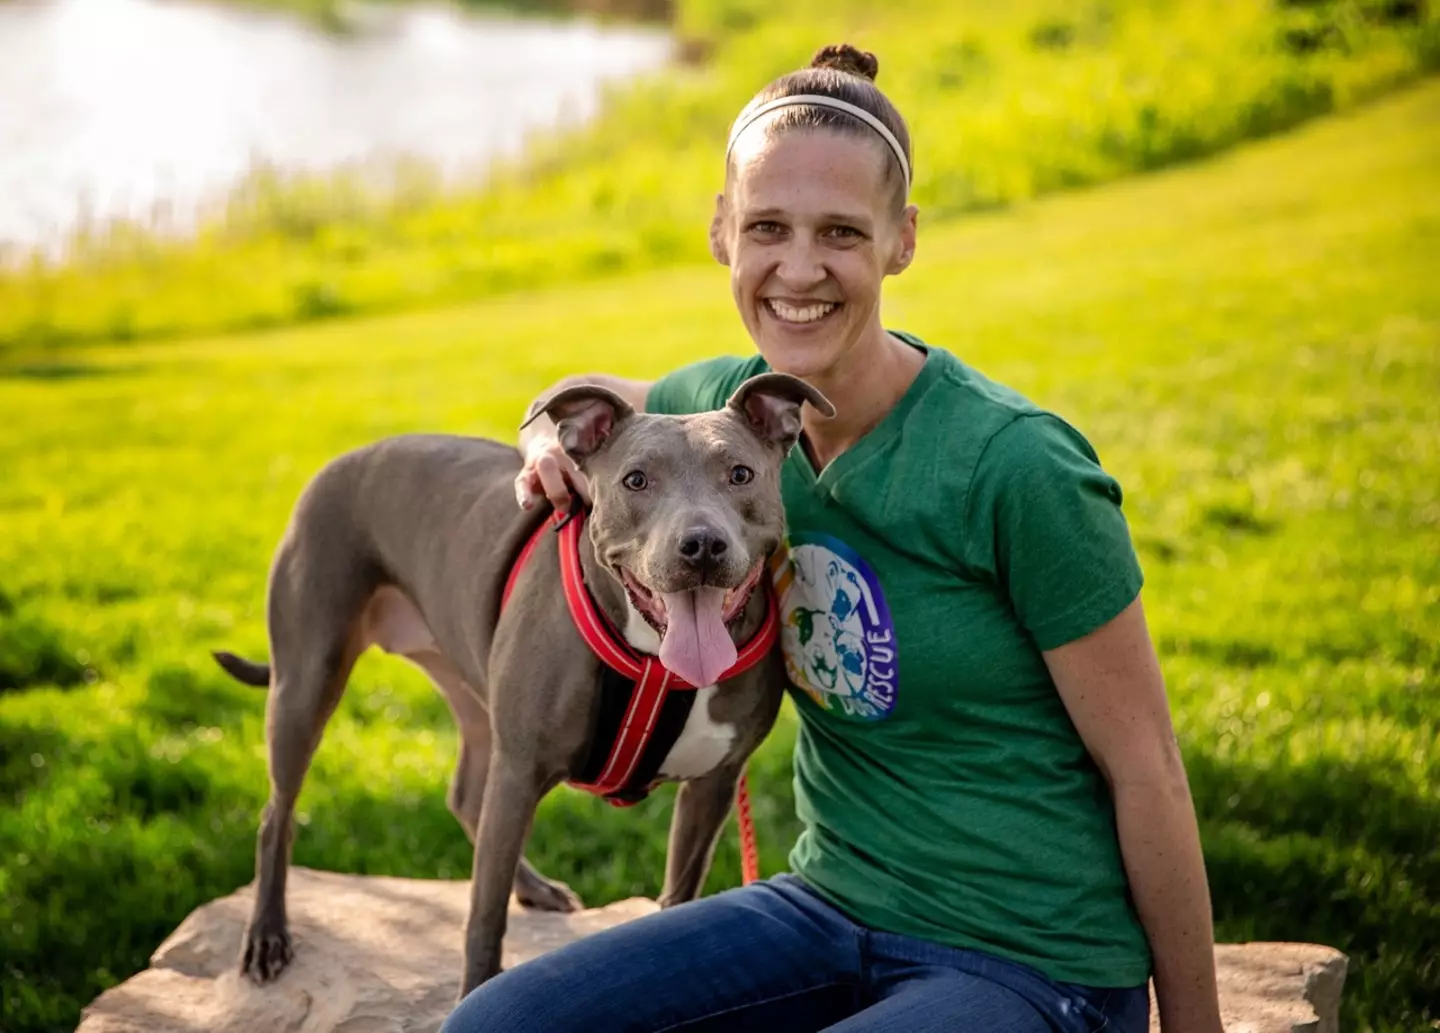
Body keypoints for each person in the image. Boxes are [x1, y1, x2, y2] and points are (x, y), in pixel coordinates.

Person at [443, 43, 1223, 1033]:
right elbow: (577, 403)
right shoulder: (728, 419)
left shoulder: (1016, 468)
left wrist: (1193, 1027)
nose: (799, 270)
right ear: (723, 232)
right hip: (828, 908)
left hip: (1032, 958)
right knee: (492, 1028)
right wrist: (540, 441)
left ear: (901, 241)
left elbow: (1149, 768)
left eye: (842, 234)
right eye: (767, 227)